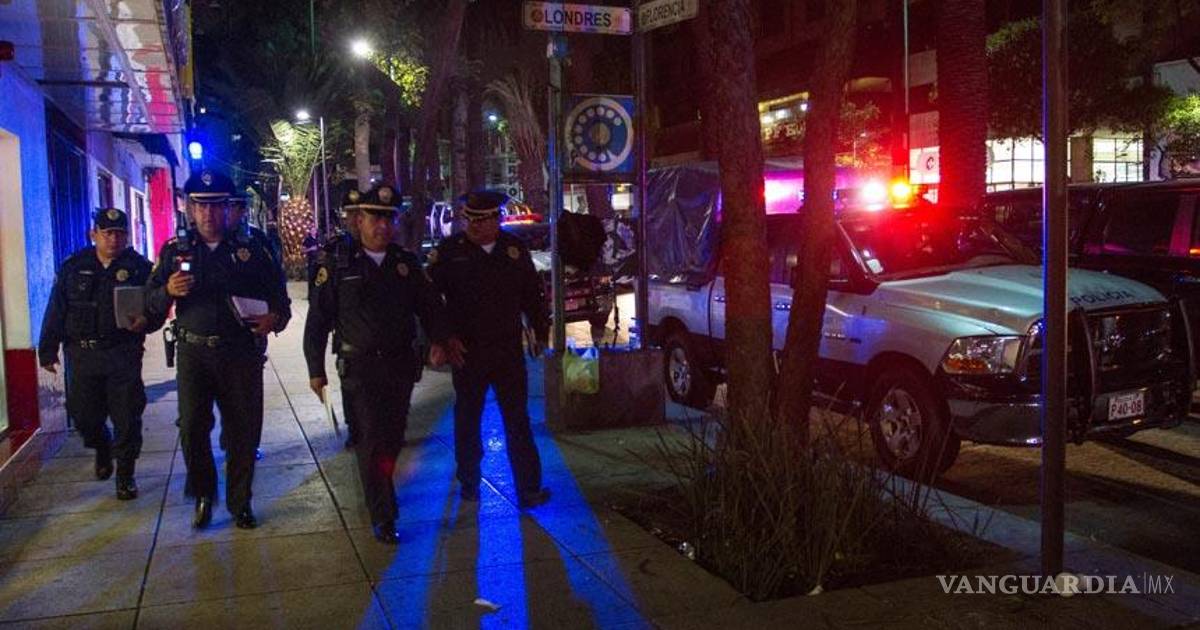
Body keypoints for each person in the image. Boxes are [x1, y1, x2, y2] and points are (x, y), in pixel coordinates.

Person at [303, 185, 449, 543]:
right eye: (375, 218)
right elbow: (318, 321)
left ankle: (382, 490)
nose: (382, 226)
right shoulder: (338, 264)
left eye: (389, 218)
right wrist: (315, 369)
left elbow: (430, 307)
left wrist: (438, 341)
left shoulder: (405, 263)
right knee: (371, 439)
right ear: (359, 221)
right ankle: (383, 513)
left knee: (393, 437)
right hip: (359, 368)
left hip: (399, 367)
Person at [146, 169, 290, 530]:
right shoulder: (175, 250)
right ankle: (204, 494)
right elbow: (149, 305)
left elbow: (280, 301)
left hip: (240, 354)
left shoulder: (253, 250)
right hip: (194, 354)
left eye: (216, 206)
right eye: (201, 206)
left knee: (243, 430)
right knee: (192, 428)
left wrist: (274, 318)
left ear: (229, 208)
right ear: (190, 208)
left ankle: (241, 502)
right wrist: (168, 292)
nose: (208, 214)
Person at [427, 190, 551, 508]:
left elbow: (532, 295)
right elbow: (430, 302)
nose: (475, 226)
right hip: (467, 353)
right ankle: (469, 480)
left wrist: (540, 331)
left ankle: (529, 488)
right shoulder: (450, 252)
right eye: (470, 220)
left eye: (482, 221)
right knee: (468, 419)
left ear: (496, 219)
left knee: (518, 420)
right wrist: (443, 337)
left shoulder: (513, 250)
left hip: (507, 351)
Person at [38, 208, 156, 500]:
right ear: (94, 235)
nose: (114, 239)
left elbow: (156, 305)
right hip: (83, 355)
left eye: (120, 234)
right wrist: (47, 349)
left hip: (122, 353)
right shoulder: (74, 266)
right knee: (83, 416)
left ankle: (125, 476)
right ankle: (102, 445)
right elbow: (57, 309)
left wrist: (148, 321)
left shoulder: (140, 268)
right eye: (108, 233)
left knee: (127, 417)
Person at [316, 190, 364, 449]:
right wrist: (315, 368)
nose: (356, 219)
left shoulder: (386, 250)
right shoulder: (335, 251)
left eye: (360, 213)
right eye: (351, 214)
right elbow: (319, 314)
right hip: (350, 346)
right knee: (354, 408)